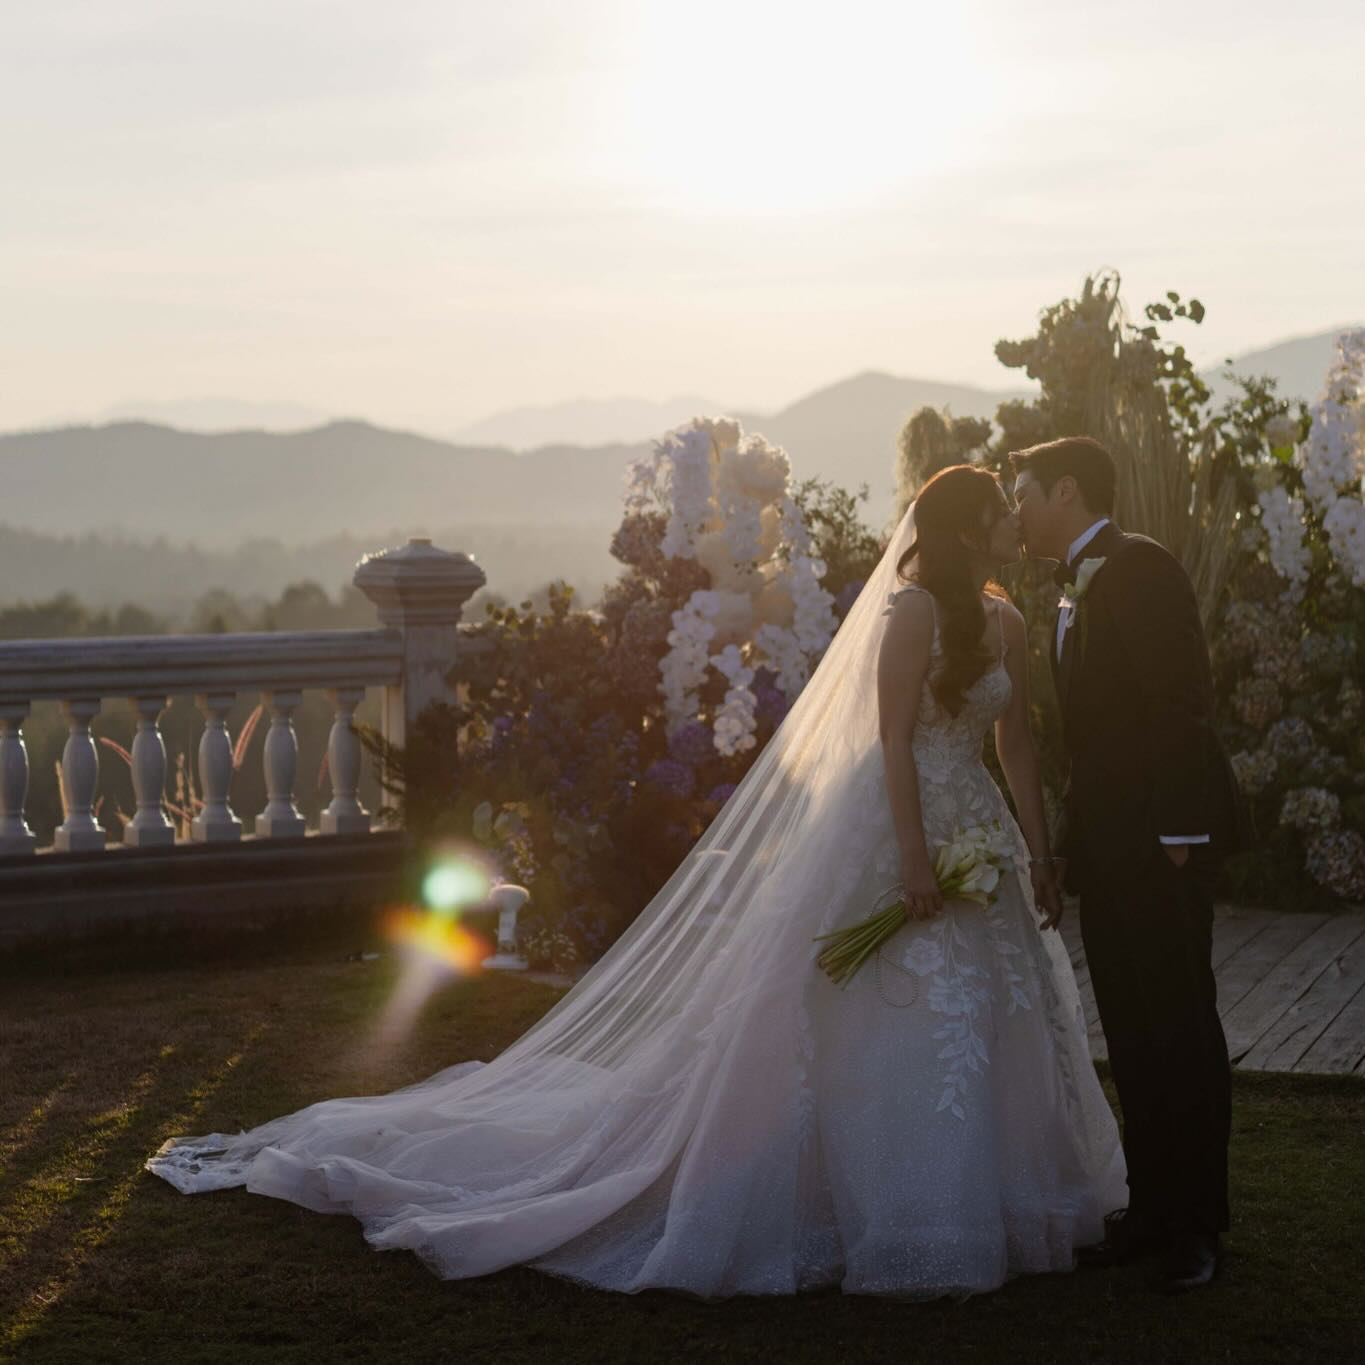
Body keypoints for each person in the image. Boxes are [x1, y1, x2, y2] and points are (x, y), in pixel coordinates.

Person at [148, 465, 1125, 1300]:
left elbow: (1021, 743)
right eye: (996, 511)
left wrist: (1036, 850)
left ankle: (1000, 1201)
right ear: (961, 527)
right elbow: (895, 742)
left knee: (994, 1007)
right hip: (902, 822)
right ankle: (899, 1212)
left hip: (982, 831)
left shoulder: (1003, 619)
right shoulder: (910, 614)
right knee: (881, 1012)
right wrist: (912, 856)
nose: (1010, 522)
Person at [1011, 436, 1238, 1293]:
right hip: (1110, 852)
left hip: (1161, 847)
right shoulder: (1074, 581)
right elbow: (1094, 744)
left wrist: (1179, 833)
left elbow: (1180, 705)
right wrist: (1070, 840)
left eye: (1023, 493)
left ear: (1065, 491)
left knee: (1179, 1029)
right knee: (1134, 1035)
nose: (1015, 510)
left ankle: (1196, 1225)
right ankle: (1149, 1210)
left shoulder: (1138, 567)